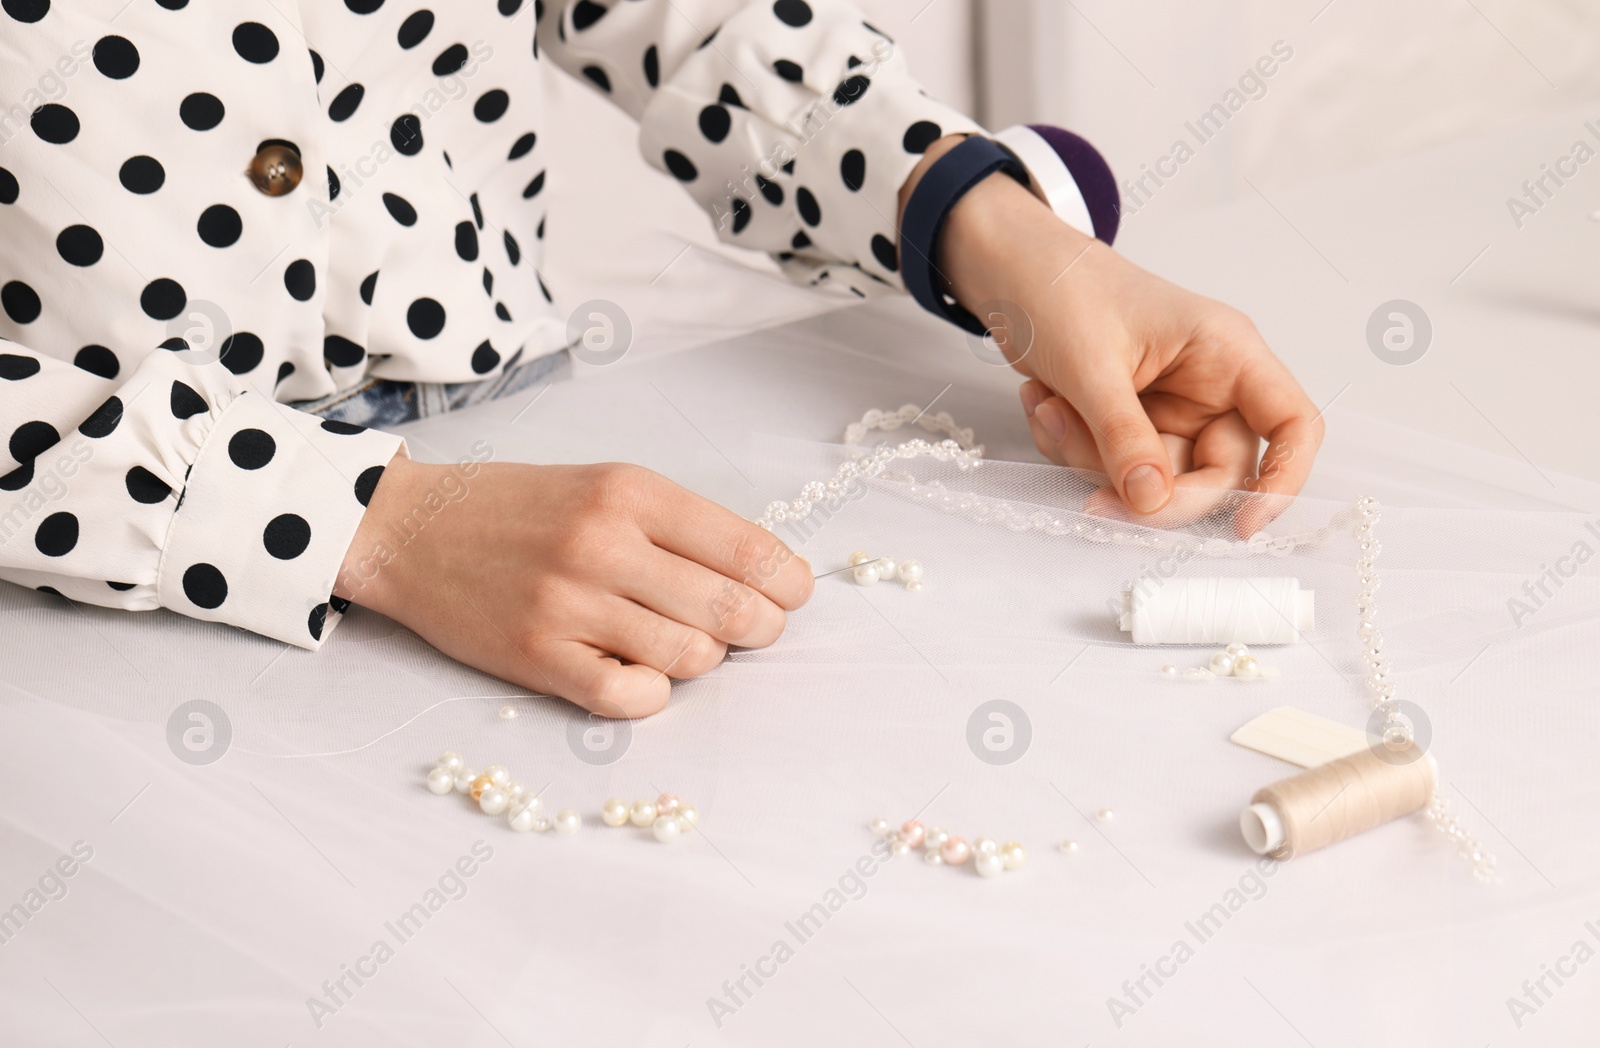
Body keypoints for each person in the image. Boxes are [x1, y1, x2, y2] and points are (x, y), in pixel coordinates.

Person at [0, 0, 1321, 717]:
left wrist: (985, 224)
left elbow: (688, 20)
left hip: (531, 464)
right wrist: (373, 524)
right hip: (82, 574)